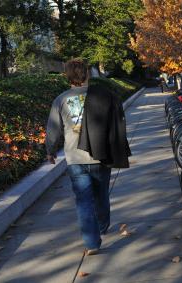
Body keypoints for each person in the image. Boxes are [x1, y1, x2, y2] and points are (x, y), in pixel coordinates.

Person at [45, 59, 111, 255]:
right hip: (100, 156)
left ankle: (91, 243)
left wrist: (50, 150)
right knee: (101, 195)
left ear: (67, 76)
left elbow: (53, 129)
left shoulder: (61, 100)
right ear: (87, 74)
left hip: (75, 158)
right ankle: (102, 226)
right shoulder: (102, 97)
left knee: (83, 201)